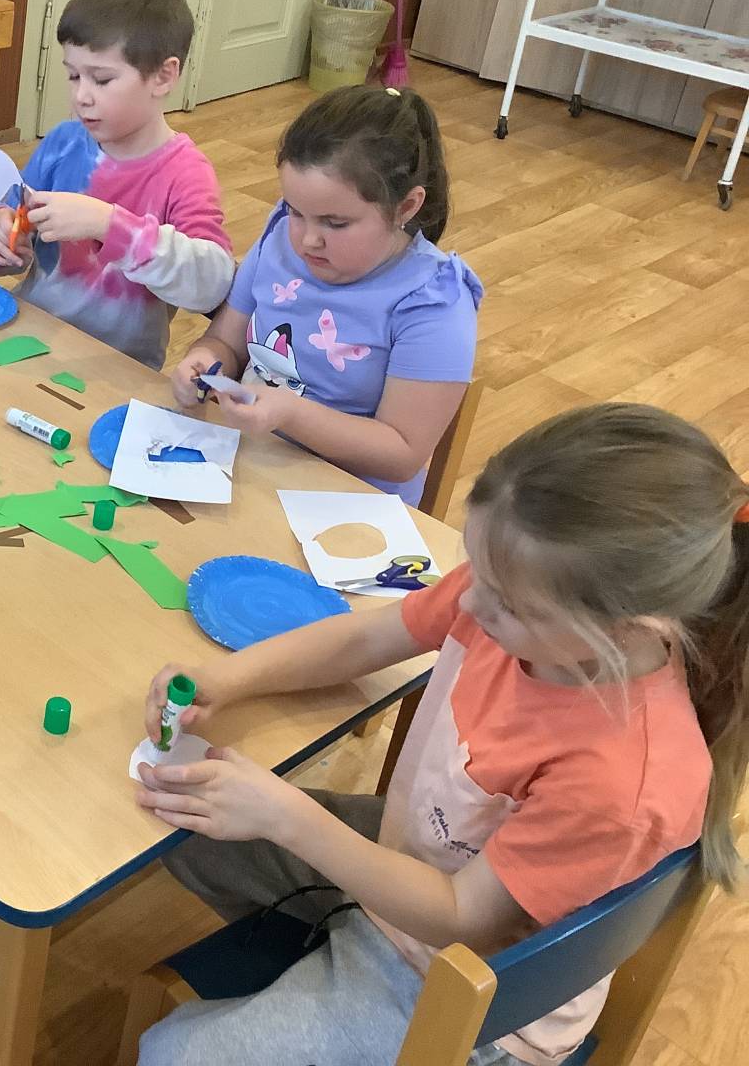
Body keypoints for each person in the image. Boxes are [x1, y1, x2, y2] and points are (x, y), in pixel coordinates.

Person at [135, 403, 747, 1065]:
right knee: (184, 832)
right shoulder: (514, 587)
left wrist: (287, 816)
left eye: (505, 602)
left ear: (628, 631)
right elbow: (369, 636)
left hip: (467, 997)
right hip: (421, 870)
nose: (472, 604)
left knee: (172, 1053)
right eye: (476, 569)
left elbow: (462, 919)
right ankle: (312, 972)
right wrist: (227, 678)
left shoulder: (621, 779)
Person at [170, 85, 481, 505]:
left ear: (406, 207)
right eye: (296, 211)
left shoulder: (434, 302)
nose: (307, 240)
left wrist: (289, 413)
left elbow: (402, 454)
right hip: (247, 465)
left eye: (335, 223)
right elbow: (226, 341)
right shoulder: (279, 239)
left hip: (347, 506)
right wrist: (203, 361)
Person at [0, 0, 234, 369]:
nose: (82, 96)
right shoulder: (63, 142)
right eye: (74, 76)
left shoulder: (185, 173)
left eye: (102, 80)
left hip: (114, 370)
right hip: (26, 339)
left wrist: (108, 225)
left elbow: (211, 284)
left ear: (163, 76)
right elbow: (1, 232)